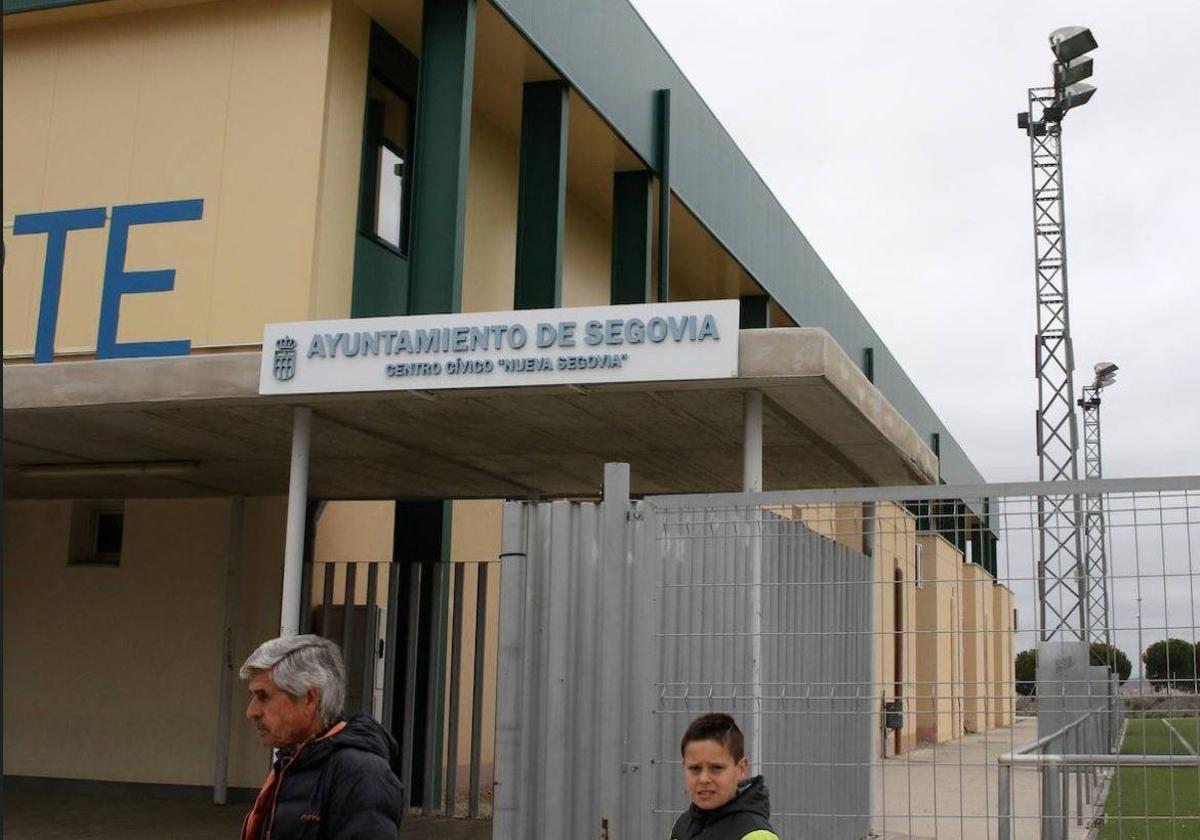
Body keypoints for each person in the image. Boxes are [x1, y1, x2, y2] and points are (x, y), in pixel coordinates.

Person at [239, 634, 403, 840]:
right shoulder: (293, 761)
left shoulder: (361, 774)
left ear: (309, 699)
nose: (251, 711)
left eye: (263, 696)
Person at [669, 713, 780, 840]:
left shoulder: (755, 835)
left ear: (741, 768)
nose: (704, 779)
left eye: (716, 768)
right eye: (695, 768)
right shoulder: (681, 826)